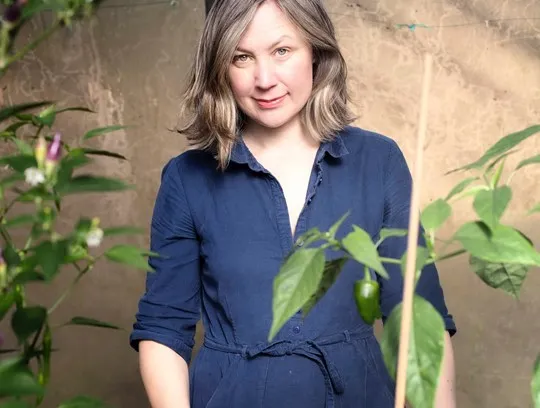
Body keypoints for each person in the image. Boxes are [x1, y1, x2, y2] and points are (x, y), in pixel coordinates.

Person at [129, 0, 457, 407]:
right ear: (219, 66)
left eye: (282, 51)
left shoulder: (380, 161)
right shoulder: (187, 177)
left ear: (316, 52)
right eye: (241, 57)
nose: (264, 79)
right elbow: (163, 329)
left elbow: (418, 316)